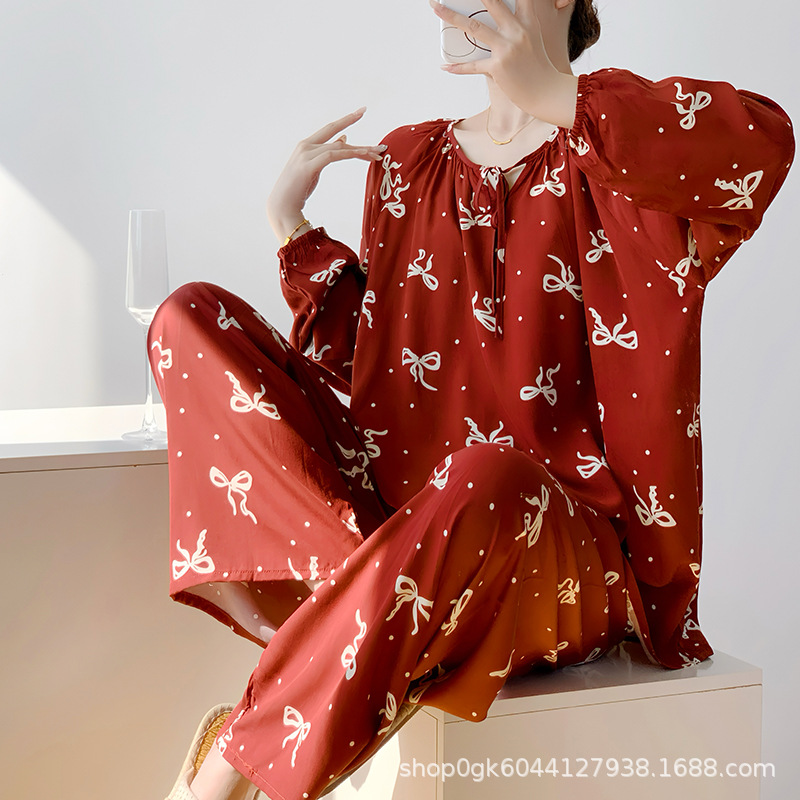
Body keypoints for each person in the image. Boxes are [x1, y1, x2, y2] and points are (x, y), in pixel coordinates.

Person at [152, 1, 795, 799]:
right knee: (188, 315)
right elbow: (381, 371)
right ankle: (366, 617)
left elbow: (765, 144)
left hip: (567, 554)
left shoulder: (626, 155)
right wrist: (292, 226)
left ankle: (224, 775)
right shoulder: (406, 161)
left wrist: (557, 95)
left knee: (487, 473)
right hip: (411, 526)